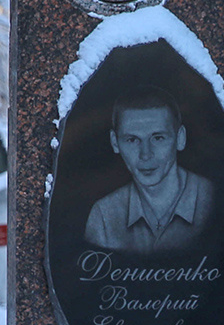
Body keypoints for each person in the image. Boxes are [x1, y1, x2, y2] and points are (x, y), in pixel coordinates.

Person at [83, 90, 215, 254]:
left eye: (158, 138)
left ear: (180, 138)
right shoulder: (104, 215)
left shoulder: (212, 200)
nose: (145, 154)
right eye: (132, 140)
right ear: (115, 143)